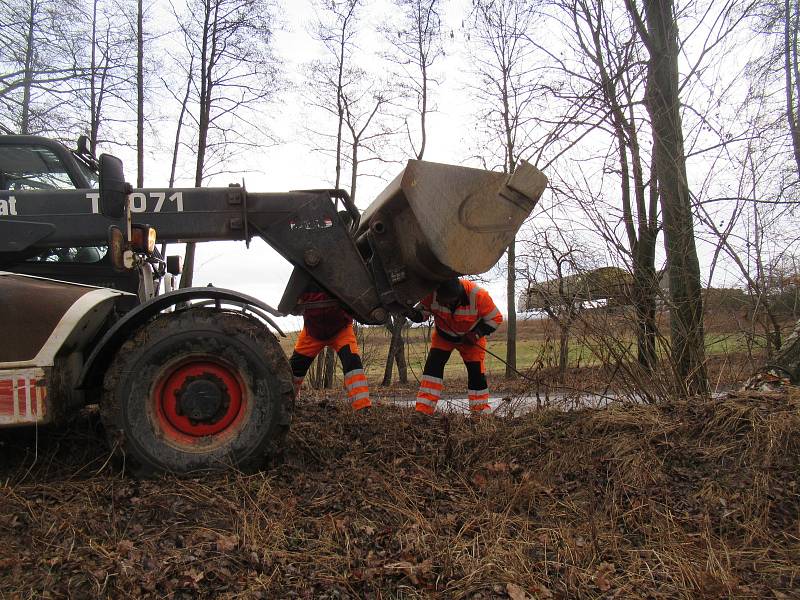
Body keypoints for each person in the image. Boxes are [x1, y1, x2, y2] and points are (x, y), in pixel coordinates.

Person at [410, 278, 503, 415]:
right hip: (443, 337)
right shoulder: (433, 293)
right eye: (441, 301)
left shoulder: (478, 295)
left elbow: (496, 318)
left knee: (476, 374)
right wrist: (411, 313)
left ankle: (480, 413)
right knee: (432, 371)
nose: (442, 303)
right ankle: (423, 411)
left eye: (446, 302)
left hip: (470, 341)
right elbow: (422, 314)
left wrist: (476, 334)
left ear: (457, 297)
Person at [289, 281, 371, 411]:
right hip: (312, 332)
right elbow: (292, 304)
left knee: (353, 365)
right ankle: (285, 403)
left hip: (341, 330)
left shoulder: (341, 273)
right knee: (294, 369)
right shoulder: (302, 278)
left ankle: (362, 407)